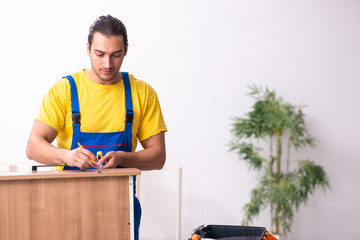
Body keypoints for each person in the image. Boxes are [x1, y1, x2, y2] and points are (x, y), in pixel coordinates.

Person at [26, 15, 167, 240]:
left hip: (122, 210)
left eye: (116, 55)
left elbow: (158, 157)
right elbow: (33, 146)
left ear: (126, 50)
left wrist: (123, 158)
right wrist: (67, 156)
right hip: (65, 208)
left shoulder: (142, 93)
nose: (107, 64)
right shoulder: (64, 91)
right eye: (99, 54)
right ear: (88, 48)